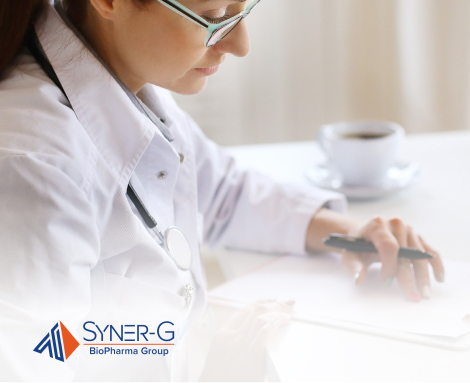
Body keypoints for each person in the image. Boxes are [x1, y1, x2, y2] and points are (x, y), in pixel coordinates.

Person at [0, 0, 445, 380]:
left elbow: (224, 190)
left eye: (243, 9)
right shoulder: (36, 168)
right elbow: (42, 355)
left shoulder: (121, 76)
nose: (240, 44)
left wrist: (349, 231)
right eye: (213, 17)